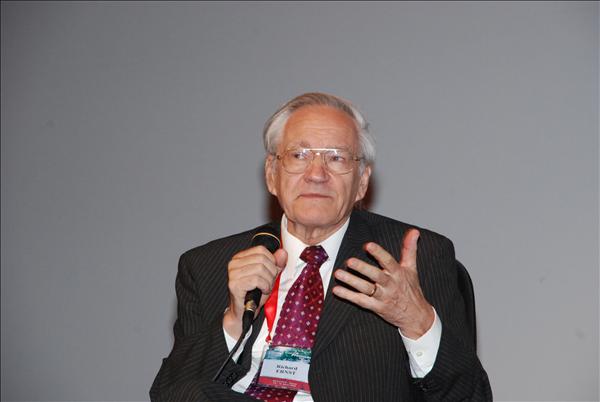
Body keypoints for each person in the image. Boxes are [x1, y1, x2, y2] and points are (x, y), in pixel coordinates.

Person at [150, 92, 492, 401]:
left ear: (362, 182)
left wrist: (418, 323)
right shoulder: (209, 266)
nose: (316, 174)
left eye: (337, 158)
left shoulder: (410, 259)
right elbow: (171, 393)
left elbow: (471, 397)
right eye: (299, 155)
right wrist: (234, 319)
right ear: (271, 174)